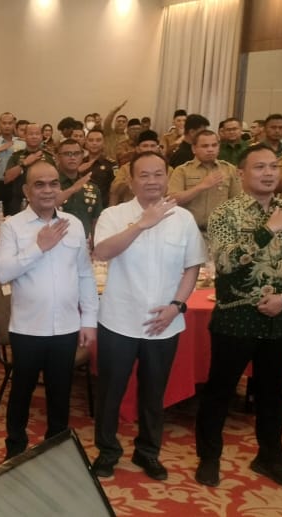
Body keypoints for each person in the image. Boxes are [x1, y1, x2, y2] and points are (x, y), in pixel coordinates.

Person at [193, 144, 282, 489]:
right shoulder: (226, 213)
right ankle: (209, 457)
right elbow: (226, 262)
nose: (269, 173)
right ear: (241, 174)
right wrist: (269, 229)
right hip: (236, 320)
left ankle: (270, 458)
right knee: (219, 391)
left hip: (281, 320)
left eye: (274, 166)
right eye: (260, 167)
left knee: (272, 395)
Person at [92, 150, 205, 481]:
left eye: (159, 174)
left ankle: (148, 452)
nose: (152, 181)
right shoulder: (114, 215)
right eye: (144, 175)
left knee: (154, 394)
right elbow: (101, 252)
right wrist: (142, 224)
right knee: (110, 393)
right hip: (119, 320)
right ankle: (107, 451)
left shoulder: (183, 219)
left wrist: (176, 306)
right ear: (131, 181)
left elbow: (192, 267)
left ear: (167, 178)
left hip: (164, 323)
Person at [0, 160, 98, 460]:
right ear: (27, 191)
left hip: (66, 326)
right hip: (28, 327)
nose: (48, 190)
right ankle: (15, 449)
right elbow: (1, 272)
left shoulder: (73, 224)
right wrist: (39, 247)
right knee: (22, 391)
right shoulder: (13, 226)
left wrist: (89, 321)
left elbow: (85, 275)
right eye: (39, 184)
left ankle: (55, 449)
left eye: (53, 183)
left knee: (60, 393)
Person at [167, 130, 241, 234]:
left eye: (214, 145)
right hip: (189, 231)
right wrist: (202, 186)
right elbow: (172, 200)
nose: (210, 149)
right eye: (205, 146)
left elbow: (238, 202)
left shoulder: (229, 169)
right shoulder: (182, 170)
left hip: (220, 232)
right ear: (194, 148)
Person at [2, 123, 56, 215]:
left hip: (43, 201)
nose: (34, 136)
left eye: (37, 134)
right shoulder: (16, 156)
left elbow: (55, 181)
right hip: (20, 201)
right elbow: (6, 179)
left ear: (41, 136)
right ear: (25, 136)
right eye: (31, 134)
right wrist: (24, 163)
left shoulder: (49, 157)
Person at [51, 139, 102, 232]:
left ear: (82, 156)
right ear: (58, 157)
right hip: (56, 237)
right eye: (67, 154)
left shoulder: (92, 188)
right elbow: (40, 212)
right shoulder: (50, 185)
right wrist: (73, 189)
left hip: (84, 239)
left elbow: (95, 221)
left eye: (77, 153)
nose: (72, 157)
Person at [109, 130, 163, 206]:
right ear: (138, 149)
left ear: (158, 149)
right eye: (145, 146)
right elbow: (114, 191)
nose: (149, 149)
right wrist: (129, 182)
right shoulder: (126, 168)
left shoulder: (167, 169)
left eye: (152, 146)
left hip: (160, 208)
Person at [81, 128, 117, 205]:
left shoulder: (111, 164)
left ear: (104, 143)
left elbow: (115, 190)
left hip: (102, 205)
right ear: (86, 143)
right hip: (81, 204)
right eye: (91, 140)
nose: (94, 143)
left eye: (98, 140)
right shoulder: (80, 162)